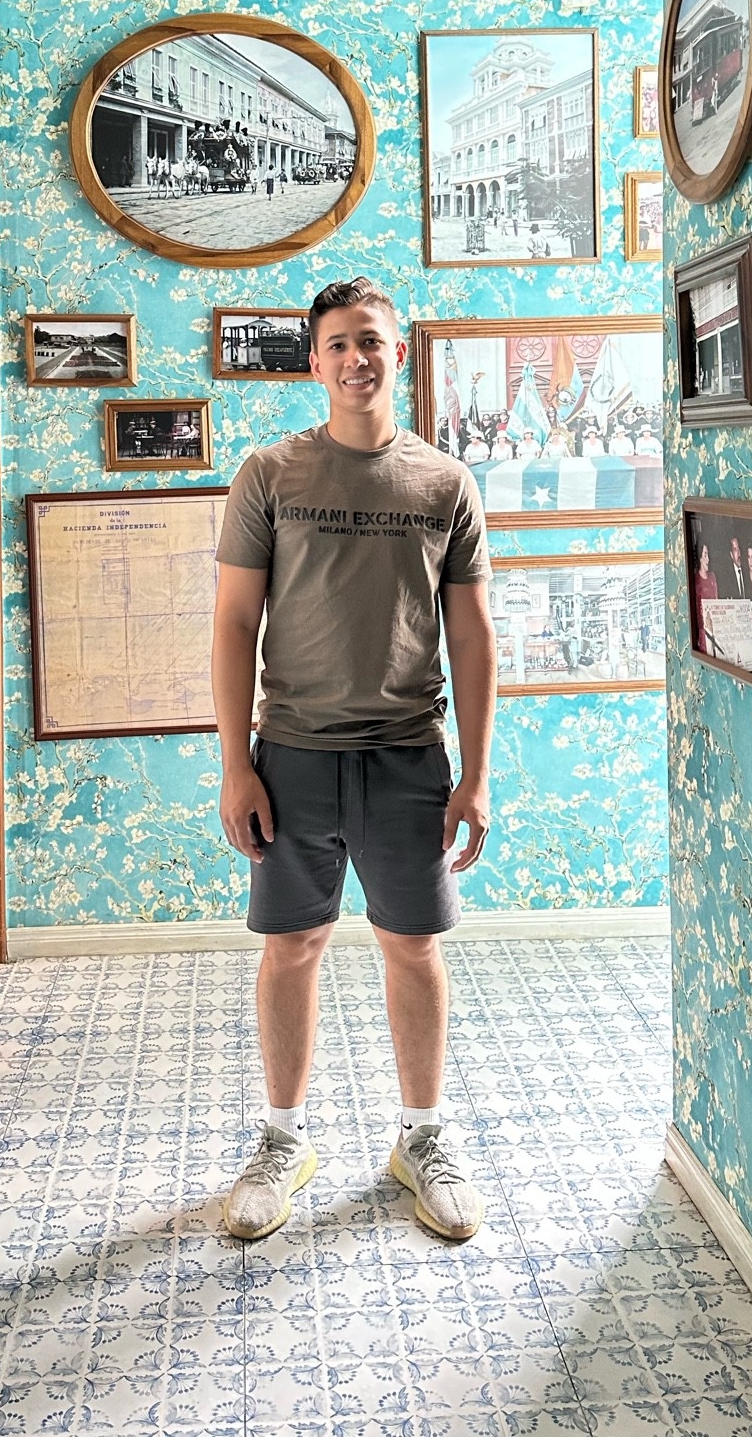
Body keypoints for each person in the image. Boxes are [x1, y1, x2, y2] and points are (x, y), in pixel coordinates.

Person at [212, 276, 496, 1245]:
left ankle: (423, 1138)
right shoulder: (269, 475)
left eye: (370, 340)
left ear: (397, 353)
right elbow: (234, 622)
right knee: (292, 946)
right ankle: (282, 1140)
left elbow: (474, 636)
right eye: (337, 344)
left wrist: (477, 774)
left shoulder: (445, 484)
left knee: (412, 946)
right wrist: (235, 764)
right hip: (291, 755)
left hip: (408, 757)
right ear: (314, 361)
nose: (355, 359)